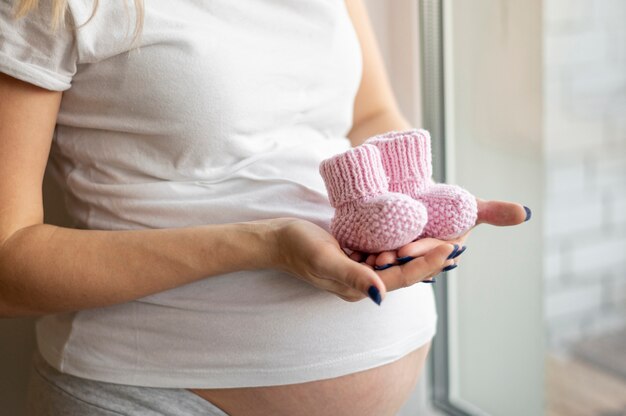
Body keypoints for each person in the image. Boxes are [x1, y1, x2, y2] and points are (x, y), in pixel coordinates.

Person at [0, 1, 530, 415]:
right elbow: (9, 263)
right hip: (155, 391)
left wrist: (414, 206)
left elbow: (369, 115)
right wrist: (267, 243)